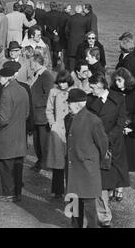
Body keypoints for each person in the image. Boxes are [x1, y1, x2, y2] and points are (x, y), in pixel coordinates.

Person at [87, 73, 130, 228]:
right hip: (95, 147)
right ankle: (104, 217)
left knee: (106, 182)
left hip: (112, 147)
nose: (90, 90)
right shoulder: (90, 99)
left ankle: (103, 216)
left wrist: (106, 140)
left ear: (101, 86)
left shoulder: (118, 99)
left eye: (92, 87)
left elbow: (120, 124)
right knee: (100, 184)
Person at [64, 88, 109, 228]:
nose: (68, 106)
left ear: (78, 104)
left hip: (87, 170)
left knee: (90, 208)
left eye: (69, 103)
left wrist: (92, 162)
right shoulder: (68, 118)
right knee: (74, 204)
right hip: (73, 169)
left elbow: (103, 145)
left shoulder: (93, 120)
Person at [0, 62, 30, 203]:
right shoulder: (23, 89)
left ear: (7, 78)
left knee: (6, 167)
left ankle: (8, 193)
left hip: (6, 137)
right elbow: (26, 113)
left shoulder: (6, 92)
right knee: (18, 167)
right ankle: (17, 193)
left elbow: (3, 118)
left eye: (1, 77)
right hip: (19, 136)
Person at [110, 67, 135, 201]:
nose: (117, 83)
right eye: (116, 80)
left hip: (127, 130)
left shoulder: (133, 93)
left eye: (120, 80)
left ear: (126, 80)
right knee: (113, 160)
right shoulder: (112, 91)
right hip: (115, 129)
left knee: (125, 162)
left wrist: (131, 128)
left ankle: (120, 188)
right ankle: (111, 186)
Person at [45, 70, 74, 199]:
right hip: (57, 129)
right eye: (60, 82)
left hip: (70, 129)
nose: (62, 85)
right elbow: (49, 109)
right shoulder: (53, 92)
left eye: (64, 82)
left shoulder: (74, 91)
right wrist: (52, 123)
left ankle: (70, 189)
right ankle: (57, 190)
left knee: (70, 161)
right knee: (58, 161)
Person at [29, 52, 55, 172]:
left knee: (43, 142)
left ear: (36, 62)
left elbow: (49, 96)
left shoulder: (46, 76)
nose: (30, 65)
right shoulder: (38, 74)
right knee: (37, 142)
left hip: (42, 115)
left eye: (31, 63)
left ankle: (44, 164)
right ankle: (41, 162)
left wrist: (36, 103)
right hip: (36, 114)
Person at [66, 5, 89, 70]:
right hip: (81, 41)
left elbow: (66, 30)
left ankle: (71, 72)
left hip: (72, 41)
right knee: (81, 59)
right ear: (81, 10)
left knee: (71, 59)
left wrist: (69, 38)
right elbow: (87, 30)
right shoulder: (85, 19)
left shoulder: (70, 18)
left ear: (75, 10)